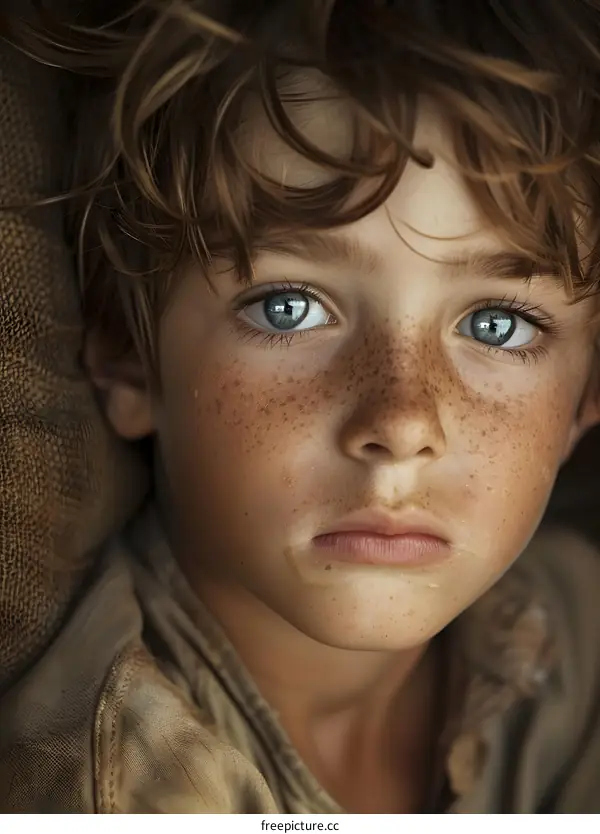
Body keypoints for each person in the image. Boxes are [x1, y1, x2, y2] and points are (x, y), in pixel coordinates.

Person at [3, 0, 600, 813]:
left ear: (584, 396)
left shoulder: (580, 629)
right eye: (288, 307)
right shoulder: (112, 791)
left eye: (497, 324)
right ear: (128, 356)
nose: (401, 423)